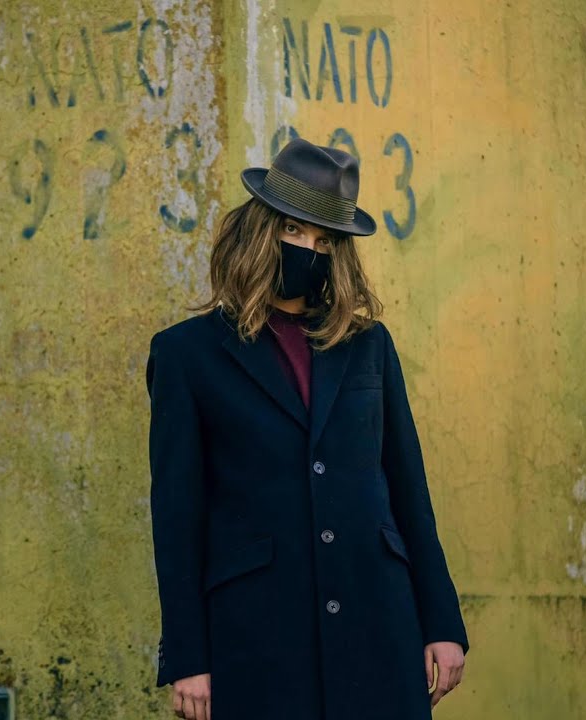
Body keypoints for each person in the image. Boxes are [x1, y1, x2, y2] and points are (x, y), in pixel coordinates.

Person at [146, 138, 469, 720]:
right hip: (258, 635)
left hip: (378, 623)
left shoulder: (368, 346)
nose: (307, 251)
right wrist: (189, 656)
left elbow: (408, 491)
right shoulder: (186, 355)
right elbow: (176, 517)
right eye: (293, 230)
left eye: (325, 241)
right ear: (260, 230)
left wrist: (442, 622)